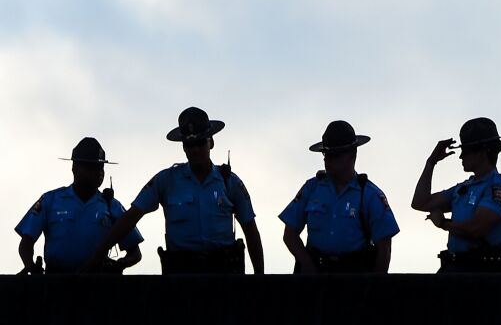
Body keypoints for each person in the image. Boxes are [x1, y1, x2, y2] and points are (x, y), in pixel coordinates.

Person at [85, 107, 264, 274]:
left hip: (223, 273)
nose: (195, 150)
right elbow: (131, 216)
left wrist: (260, 278)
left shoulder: (230, 182)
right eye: (189, 145)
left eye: (200, 143)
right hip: (180, 276)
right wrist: (100, 253)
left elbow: (251, 231)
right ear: (183, 147)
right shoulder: (166, 180)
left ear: (211, 142)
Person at [280, 121, 399, 273]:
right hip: (314, 280)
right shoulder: (311, 188)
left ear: (351, 155)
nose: (326, 159)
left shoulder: (370, 195)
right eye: (325, 153)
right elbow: (289, 234)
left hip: (354, 280)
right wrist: (307, 265)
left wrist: (373, 290)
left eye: (333, 155)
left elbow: (384, 249)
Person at [16, 137, 143, 274]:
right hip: (56, 283)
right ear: (74, 168)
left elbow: (135, 253)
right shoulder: (50, 199)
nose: (98, 173)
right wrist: (31, 267)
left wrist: (119, 265)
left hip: (97, 284)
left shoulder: (112, 205)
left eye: (101, 167)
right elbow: (26, 244)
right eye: (91, 167)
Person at [412, 117, 501, 273]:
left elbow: (476, 229)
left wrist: (442, 223)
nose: (461, 156)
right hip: (454, 270)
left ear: (482, 152)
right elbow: (420, 202)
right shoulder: (463, 189)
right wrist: (431, 162)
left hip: (484, 277)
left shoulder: (500, 189)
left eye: (466, 150)